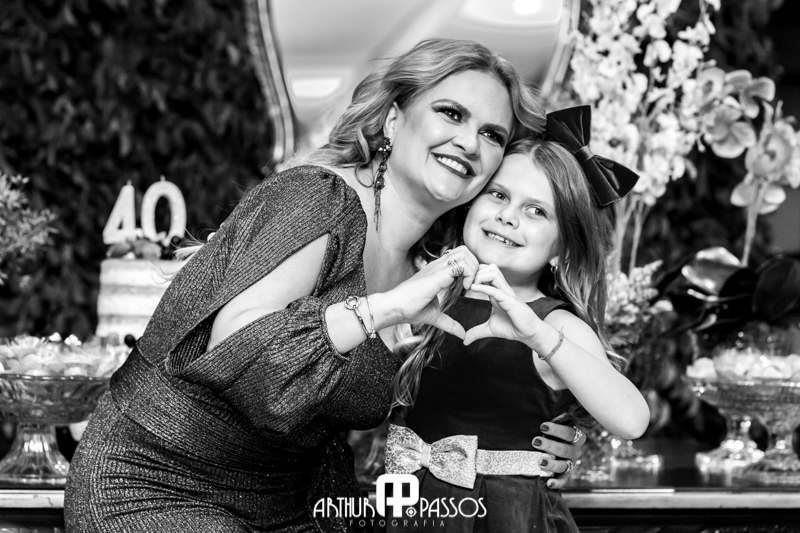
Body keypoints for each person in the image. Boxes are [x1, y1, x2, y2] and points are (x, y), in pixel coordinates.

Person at [65, 39, 585, 533]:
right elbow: (237, 344)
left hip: (294, 503)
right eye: (451, 113)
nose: (469, 142)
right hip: (157, 482)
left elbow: (470, 391)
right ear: (394, 117)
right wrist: (381, 309)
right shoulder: (318, 199)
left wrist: (544, 439)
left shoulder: (436, 265)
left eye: (492, 134)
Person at [381, 107, 651, 532]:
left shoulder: (554, 326)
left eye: (537, 211)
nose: (508, 216)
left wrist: (537, 335)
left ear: (562, 249)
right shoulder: (423, 293)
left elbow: (632, 421)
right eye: (498, 195)